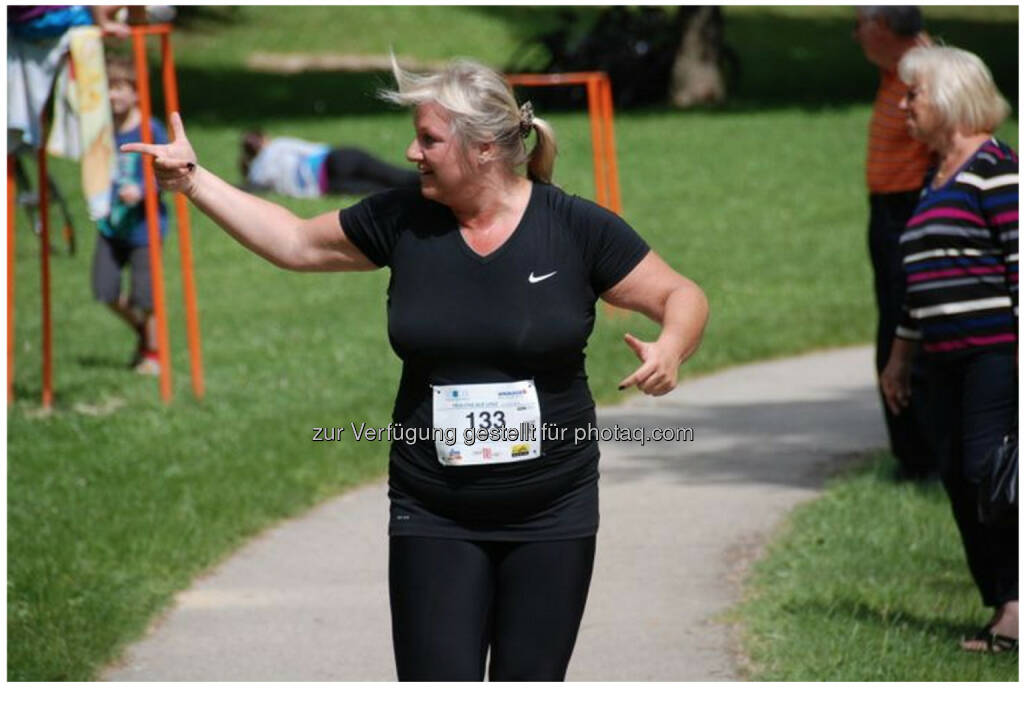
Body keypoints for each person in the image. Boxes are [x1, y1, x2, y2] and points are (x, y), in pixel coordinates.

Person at [124, 56, 709, 680]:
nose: (411, 152)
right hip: (433, 509)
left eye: (429, 139)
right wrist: (192, 180)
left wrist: (671, 347)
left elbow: (682, 296)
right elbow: (294, 241)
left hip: (552, 513)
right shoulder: (404, 220)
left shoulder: (572, 228)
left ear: (483, 149)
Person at [880, 46, 1017, 654]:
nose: (904, 105)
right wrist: (900, 359)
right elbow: (920, 283)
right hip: (940, 362)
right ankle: (1004, 609)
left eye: (915, 94)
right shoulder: (932, 181)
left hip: (995, 355)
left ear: (953, 97)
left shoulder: (998, 169)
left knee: (991, 473)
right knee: (962, 484)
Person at [852, 5, 937, 480]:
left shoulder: (926, 72)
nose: (855, 35)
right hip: (887, 209)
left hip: (910, 209)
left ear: (882, 28)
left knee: (906, 325)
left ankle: (921, 453)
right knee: (891, 319)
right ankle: (909, 450)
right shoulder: (896, 71)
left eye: (859, 24)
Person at [92, 55, 168, 375]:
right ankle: (142, 332)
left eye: (121, 88)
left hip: (143, 228)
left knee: (146, 296)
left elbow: (166, 172)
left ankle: (152, 354)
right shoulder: (102, 128)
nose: (113, 95)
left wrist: (142, 190)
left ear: (136, 92)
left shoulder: (151, 129)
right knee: (104, 290)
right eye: (109, 88)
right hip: (111, 226)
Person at [240, 130, 420, 198]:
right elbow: (308, 148)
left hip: (327, 185)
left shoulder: (257, 173)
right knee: (393, 175)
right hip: (332, 159)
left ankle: (418, 194)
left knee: (381, 191)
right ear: (263, 139)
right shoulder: (277, 145)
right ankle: (431, 183)